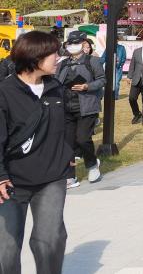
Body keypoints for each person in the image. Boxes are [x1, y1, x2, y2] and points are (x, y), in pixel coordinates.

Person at [0, 31, 71, 273]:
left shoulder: (56, 88)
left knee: (50, 240)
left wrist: (66, 155)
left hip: (52, 178)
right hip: (11, 181)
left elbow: (66, 126)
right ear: (35, 57)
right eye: (54, 53)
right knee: (6, 249)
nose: (58, 57)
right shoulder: (5, 92)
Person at [55, 31, 105, 188]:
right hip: (67, 108)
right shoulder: (63, 63)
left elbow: (102, 80)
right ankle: (70, 176)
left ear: (83, 44)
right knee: (67, 143)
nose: (72, 46)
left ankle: (92, 164)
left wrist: (87, 86)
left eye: (75, 43)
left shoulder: (93, 61)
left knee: (82, 139)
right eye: (69, 44)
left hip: (87, 106)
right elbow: (56, 82)